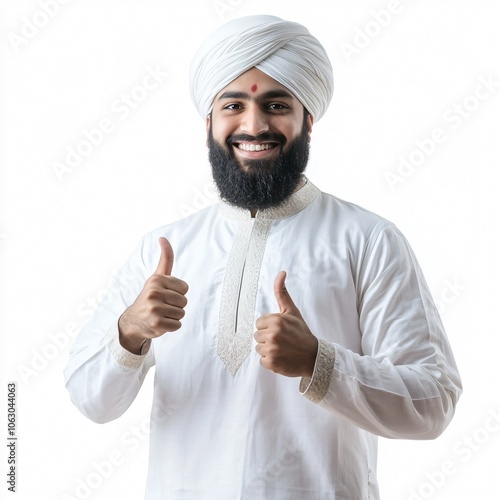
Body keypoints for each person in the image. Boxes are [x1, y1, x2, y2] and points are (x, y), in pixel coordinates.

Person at [64, 14, 462, 500]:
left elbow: (433, 401)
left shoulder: (369, 239)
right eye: (234, 104)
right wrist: (130, 331)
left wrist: (321, 362)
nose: (254, 125)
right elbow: (90, 400)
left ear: (307, 121)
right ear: (209, 122)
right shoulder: (164, 248)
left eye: (276, 104)